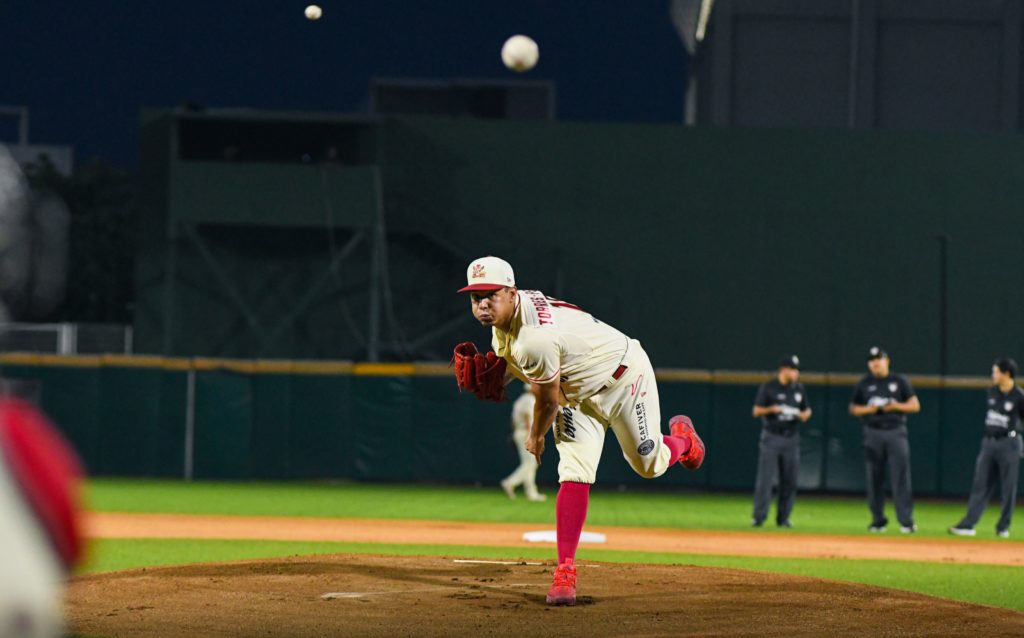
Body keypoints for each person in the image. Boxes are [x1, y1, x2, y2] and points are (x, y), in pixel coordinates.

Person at [456, 255, 705, 606]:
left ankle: (682, 440)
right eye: (475, 297)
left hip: (623, 378)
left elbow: (546, 402)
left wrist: (536, 436)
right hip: (575, 394)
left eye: (490, 295)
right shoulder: (506, 325)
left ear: (512, 293)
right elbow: (521, 365)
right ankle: (565, 571)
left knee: (649, 465)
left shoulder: (533, 338)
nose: (482, 304)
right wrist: (503, 374)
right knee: (574, 471)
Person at [949, 358, 1024, 539]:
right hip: (989, 442)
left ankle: (1003, 527)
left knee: (1008, 487)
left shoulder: (1019, 396)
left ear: (1006, 374)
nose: (993, 375)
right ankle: (968, 524)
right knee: (980, 484)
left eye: (996, 371)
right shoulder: (992, 391)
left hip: (1009, 443)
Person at [849, 346, 921, 533]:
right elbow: (854, 408)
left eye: (878, 359)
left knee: (900, 477)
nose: (875, 363)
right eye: (872, 360)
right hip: (873, 432)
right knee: (874, 478)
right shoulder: (864, 383)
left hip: (896, 432)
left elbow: (915, 405)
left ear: (887, 361)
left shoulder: (899, 381)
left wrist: (895, 406)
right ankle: (878, 520)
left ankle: (906, 521)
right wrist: (870, 409)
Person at [751, 354, 811, 528]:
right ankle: (759, 517)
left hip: (791, 438)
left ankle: (783, 518)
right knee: (766, 479)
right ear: (784, 370)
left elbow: (807, 411)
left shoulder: (799, 389)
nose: (796, 373)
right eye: (793, 370)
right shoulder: (769, 387)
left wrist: (802, 414)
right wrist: (772, 409)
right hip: (772, 437)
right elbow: (756, 411)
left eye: (797, 370)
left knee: (789, 480)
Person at [500, 383, 547, 501]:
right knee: (530, 464)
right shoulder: (530, 400)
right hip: (526, 433)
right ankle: (510, 482)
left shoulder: (519, 401)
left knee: (529, 463)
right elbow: (527, 417)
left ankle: (531, 492)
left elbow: (513, 421)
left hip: (519, 432)